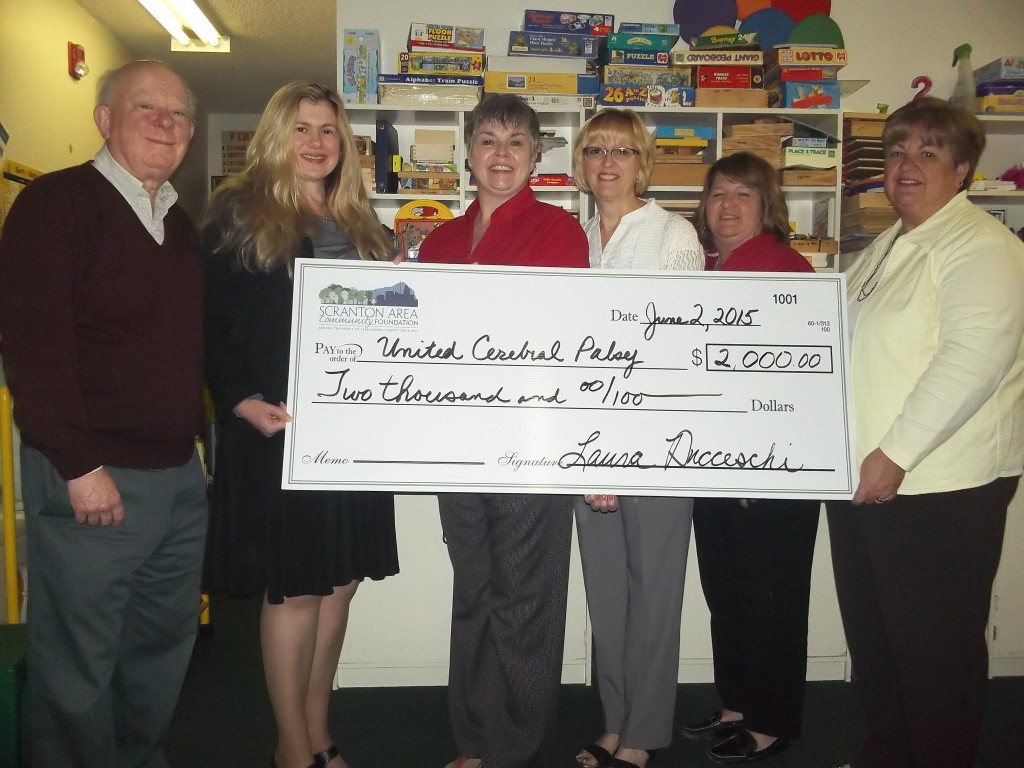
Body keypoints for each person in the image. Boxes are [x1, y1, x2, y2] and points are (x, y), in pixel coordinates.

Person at [0, 60, 206, 767]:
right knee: (78, 663)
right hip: (93, 477)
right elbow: (34, 347)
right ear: (103, 118)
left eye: (179, 114)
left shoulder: (179, 225)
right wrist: (80, 466)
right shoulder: (54, 206)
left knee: (159, 651)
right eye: (146, 107)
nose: (166, 123)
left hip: (178, 481)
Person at [201, 82, 399, 768]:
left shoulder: (363, 221)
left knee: (338, 584)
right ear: (275, 136)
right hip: (279, 430)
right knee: (295, 589)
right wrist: (240, 399)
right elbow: (210, 327)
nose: (317, 142)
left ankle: (319, 732)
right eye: (302, 128)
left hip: (352, 432)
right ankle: (291, 748)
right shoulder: (239, 212)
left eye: (328, 130)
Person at [827, 96, 1024, 768]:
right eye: (899, 150)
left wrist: (895, 455)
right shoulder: (891, 242)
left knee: (935, 653)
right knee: (879, 643)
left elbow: (973, 359)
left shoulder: (983, 247)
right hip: (866, 481)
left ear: (964, 168)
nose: (907, 164)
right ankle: (889, 752)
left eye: (929, 152)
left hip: (936, 488)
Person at [417, 93, 589, 768]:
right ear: (467, 152)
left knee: (523, 595)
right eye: (488, 140)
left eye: (515, 142)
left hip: (528, 442)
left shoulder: (558, 232)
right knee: (475, 587)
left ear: (536, 155)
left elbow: (564, 340)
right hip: (454, 444)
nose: (500, 155)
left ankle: (511, 745)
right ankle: (473, 733)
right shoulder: (439, 241)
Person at [568, 109, 703, 768]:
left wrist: (619, 458)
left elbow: (670, 354)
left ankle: (643, 735)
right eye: (596, 148)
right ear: (581, 161)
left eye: (623, 150)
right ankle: (614, 719)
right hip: (586, 448)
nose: (608, 161)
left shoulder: (672, 234)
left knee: (652, 596)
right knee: (609, 597)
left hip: (654, 447)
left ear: (642, 161)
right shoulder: (578, 237)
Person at [680, 152, 820, 764]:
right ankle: (737, 702)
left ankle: (772, 720)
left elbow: (796, 388)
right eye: (717, 195)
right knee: (727, 592)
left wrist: (761, 465)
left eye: (743, 195)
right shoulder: (706, 267)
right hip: (714, 465)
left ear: (767, 207)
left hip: (772, 470)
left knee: (772, 600)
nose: (727, 207)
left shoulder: (786, 270)